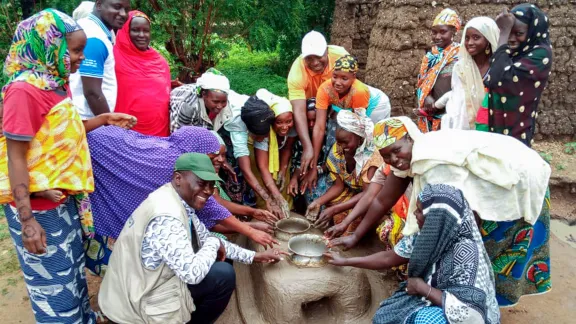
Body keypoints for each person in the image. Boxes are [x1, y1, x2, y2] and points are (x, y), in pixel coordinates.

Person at [330, 117, 552, 307]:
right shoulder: (410, 161)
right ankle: (470, 303)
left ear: (410, 138)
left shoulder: (436, 166)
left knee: (491, 253)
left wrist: (433, 245)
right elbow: (381, 201)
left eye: (396, 151)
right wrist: (355, 236)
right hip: (477, 196)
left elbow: (459, 217)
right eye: (386, 157)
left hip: (515, 186)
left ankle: (481, 307)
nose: (394, 160)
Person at [0, 10, 135, 323]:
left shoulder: (53, 83)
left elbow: (53, 137)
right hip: (38, 208)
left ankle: (83, 318)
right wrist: (27, 221)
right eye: (75, 50)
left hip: (62, 200)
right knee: (54, 286)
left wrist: (101, 120)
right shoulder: (23, 91)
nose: (80, 58)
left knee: (72, 271)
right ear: (48, 46)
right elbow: (15, 157)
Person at [99, 153, 288, 324]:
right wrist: (215, 243)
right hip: (136, 301)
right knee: (221, 273)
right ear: (178, 178)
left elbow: (206, 238)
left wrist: (256, 256)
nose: (207, 190)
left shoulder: (175, 200)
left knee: (223, 272)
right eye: (201, 183)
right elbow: (192, 273)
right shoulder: (167, 215)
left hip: (142, 283)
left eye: (211, 185)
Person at [84, 126, 278, 276]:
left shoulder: (179, 174)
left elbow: (209, 214)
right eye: (211, 156)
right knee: (121, 271)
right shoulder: (175, 172)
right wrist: (249, 230)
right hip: (92, 157)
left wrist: (251, 229)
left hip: (100, 150)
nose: (216, 160)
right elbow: (212, 211)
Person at [325, 184, 500, 324]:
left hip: (459, 314)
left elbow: (471, 314)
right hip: (429, 295)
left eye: (419, 211)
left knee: (426, 321)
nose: (414, 214)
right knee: (384, 317)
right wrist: (345, 261)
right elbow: (389, 258)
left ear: (437, 218)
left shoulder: (467, 253)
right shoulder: (427, 235)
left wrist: (423, 288)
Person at [169, 69, 287, 219]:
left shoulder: (255, 114)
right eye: (216, 102)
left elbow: (212, 135)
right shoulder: (188, 107)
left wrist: (275, 197)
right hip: (181, 122)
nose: (219, 106)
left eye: (223, 102)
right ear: (204, 94)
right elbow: (180, 143)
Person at [311, 55, 391, 192]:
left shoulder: (359, 92)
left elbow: (358, 129)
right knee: (337, 137)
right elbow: (319, 127)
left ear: (354, 77)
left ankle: (364, 178)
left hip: (375, 107)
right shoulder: (324, 89)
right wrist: (313, 163)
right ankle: (332, 171)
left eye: (344, 78)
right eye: (335, 76)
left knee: (367, 143)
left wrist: (350, 158)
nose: (337, 82)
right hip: (345, 105)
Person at [305, 110, 381, 236]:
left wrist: (335, 209)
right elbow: (338, 186)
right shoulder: (337, 150)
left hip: (372, 196)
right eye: (338, 141)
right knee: (322, 201)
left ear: (360, 137)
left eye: (345, 142)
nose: (341, 146)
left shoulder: (371, 158)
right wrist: (318, 202)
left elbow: (368, 194)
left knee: (350, 220)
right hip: (354, 192)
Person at [485, 4, 553, 147]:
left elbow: (499, 80)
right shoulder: (512, 53)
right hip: (496, 126)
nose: (511, 38)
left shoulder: (541, 54)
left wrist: (503, 33)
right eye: (509, 32)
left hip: (517, 129)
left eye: (519, 33)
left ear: (532, 32)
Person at [287, 30, 348, 177]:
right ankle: (295, 169)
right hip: (309, 108)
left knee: (336, 133)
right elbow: (299, 112)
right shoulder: (297, 73)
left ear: (327, 51)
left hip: (335, 103)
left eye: (319, 57)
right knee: (299, 134)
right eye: (309, 58)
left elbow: (350, 85)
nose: (314, 63)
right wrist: (308, 147)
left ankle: (333, 168)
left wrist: (337, 105)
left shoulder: (341, 56)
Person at [69, 0, 131, 119]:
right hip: (87, 119)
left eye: (126, 9)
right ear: (98, 5)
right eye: (117, 7)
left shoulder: (88, 28)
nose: (123, 14)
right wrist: (109, 125)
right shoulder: (95, 38)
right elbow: (92, 92)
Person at [113, 10, 171, 136]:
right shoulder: (113, 57)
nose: (141, 35)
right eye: (135, 30)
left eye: (146, 30)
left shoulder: (160, 62)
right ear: (126, 31)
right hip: (125, 133)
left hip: (159, 134)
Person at [241, 90, 296, 219]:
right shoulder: (263, 131)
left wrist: (282, 169)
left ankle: (286, 210)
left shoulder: (293, 125)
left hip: (280, 155)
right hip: (258, 150)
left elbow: (287, 148)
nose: (284, 126)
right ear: (272, 122)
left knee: (283, 177)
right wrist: (274, 197)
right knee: (262, 177)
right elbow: (263, 167)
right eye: (279, 122)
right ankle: (266, 210)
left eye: (288, 121)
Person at [210, 131, 277, 231]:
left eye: (223, 155)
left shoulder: (212, 174)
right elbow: (213, 219)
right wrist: (251, 224)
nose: (220, 159)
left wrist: (253, 212)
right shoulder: (199, 181)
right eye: (215, 155)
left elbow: (218, 202)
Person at [442, 17, 499, 130]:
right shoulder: (461, 68)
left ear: (489, 39)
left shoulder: (498, 67)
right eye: (467, 38)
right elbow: (458, 104)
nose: (469, 43)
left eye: (476, 38)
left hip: (493, 127)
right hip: (465, 129)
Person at [415, 8, 461, 133]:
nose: (437, 37)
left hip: (452, 114)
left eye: (443, 32)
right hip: (431, 114)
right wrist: (428, 96)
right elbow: (422, 84)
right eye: (434, 32)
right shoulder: (430, 58)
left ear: (454, 32)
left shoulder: (461, 56)